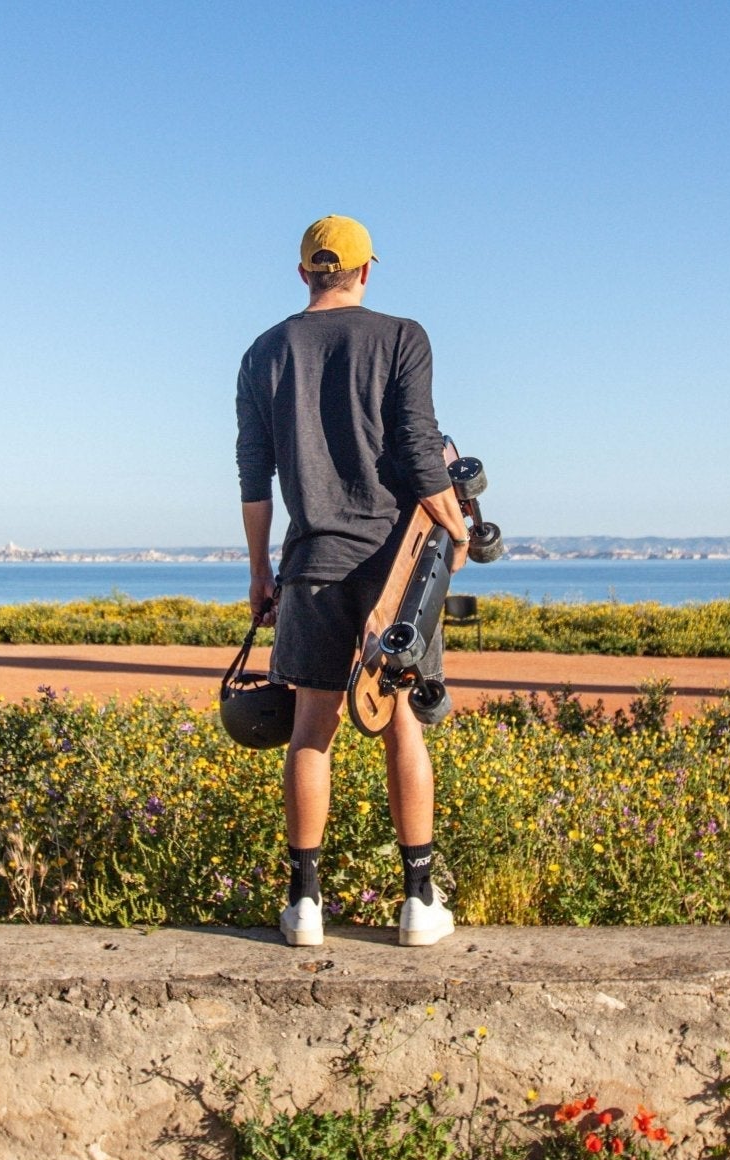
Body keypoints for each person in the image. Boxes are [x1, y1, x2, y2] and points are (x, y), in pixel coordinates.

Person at [234, 214, 470, 948]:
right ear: (367, 272)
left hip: (310, 567)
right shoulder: (403, 337)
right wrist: (457, 529)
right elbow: (420, 451)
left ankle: (305, 906)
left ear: (304, 272)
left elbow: (254, 478)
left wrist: (259, 570)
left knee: (312, 730)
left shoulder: (262, 354)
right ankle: (418, 902)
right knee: (402, 721)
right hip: (395, 571)